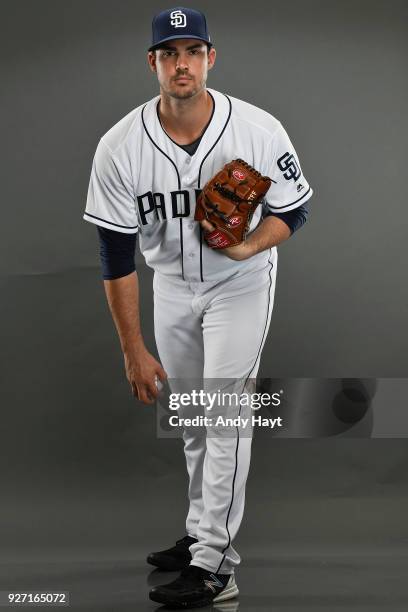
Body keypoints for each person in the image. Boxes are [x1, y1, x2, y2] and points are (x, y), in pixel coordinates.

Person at [83, 6, 313, 608]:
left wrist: (248, 244)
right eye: (168, 53)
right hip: (171, 287)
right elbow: (115, 253)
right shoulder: (120, 145)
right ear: (153, 62)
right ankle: (199, 532)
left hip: (241, 284)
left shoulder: (258, 130)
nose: (180, 63)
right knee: (189, 417)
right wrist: (133, 349)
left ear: (210, 58)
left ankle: (215, 563)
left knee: (225, 412)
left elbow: (294, 211)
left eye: (192, 51)